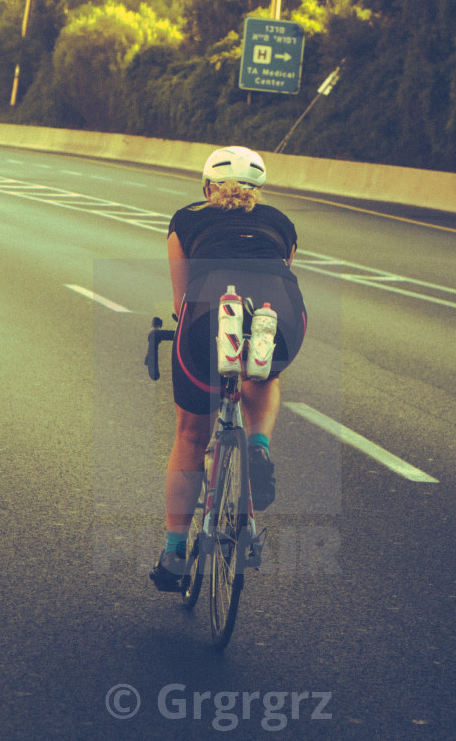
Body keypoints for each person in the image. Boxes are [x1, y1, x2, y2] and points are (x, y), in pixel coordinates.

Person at [150, 146, 308, 592]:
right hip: (284, 309)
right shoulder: (281, 224)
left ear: (206, 188)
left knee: (190, 435)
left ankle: (175, 553)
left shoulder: (187, 220)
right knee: (265, 370)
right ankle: (257, 443)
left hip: (207, 310)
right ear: (260, 192)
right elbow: (284, 267)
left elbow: (181, 302)